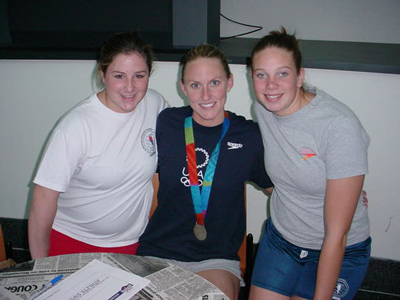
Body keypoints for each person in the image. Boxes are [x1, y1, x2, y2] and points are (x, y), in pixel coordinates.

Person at [137, 44, 273, 299]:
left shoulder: (249, 135)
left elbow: (278, 189)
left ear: (230, 82)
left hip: (215, 259)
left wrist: (337, 196)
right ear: (183, 87)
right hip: (157, 251)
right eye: (195, 85)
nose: (206, 94)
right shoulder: (167, 123)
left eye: (215, 82)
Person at [249, 27, 371, 300]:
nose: (271, 86)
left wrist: (344, 193)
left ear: (300, 75)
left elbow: (336, 235)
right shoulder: (264, 109)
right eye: (261, 75)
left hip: (337, 247)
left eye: (282, 73)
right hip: (282, 240)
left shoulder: (339, 126)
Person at [28, 32, 168, 259]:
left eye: (139, 76)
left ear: (149, 74)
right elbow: (43, 198)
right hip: (70, 244)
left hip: (134, 245)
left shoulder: (155, 104)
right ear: (102, 74)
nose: (130, 88)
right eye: (119, 76)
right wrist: (40, 267)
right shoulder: (75, 127)